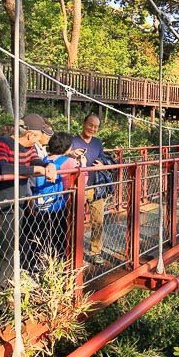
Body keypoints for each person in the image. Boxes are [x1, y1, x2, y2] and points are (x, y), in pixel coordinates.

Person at [0, 113, 57, 290]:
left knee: (14, 248)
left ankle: (8, 287)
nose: (39, 142)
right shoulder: (0, 143)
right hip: (1, 205)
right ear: (30, 135)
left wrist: (49, 165)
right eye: (39, 136)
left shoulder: (29, 148)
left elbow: (37, 160)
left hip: (19, 203)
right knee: (4, 252)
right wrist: (38, 169)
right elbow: (4, 168)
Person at [31, 132, 79, 261]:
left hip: (42, 203)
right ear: (67, 148)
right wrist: (83, 164)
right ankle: (60, 261)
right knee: (60, 234)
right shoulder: (70, 162)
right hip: (60, 204)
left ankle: (41, 260)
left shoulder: (44, 160)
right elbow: (80, 181)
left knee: (43, 233)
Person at [70, 113, 111, 265]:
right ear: (83, 123)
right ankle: (74, 250)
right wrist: (70, 153)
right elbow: (60, 155)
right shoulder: (73, 141)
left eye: (96, 126)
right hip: (77, 186)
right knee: (75, 220)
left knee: (98, 220)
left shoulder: (98, 142)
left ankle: (95, 252)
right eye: (90, 125)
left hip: (96, 186)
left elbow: (102, 158)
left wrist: (102, 164)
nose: (92, 128)